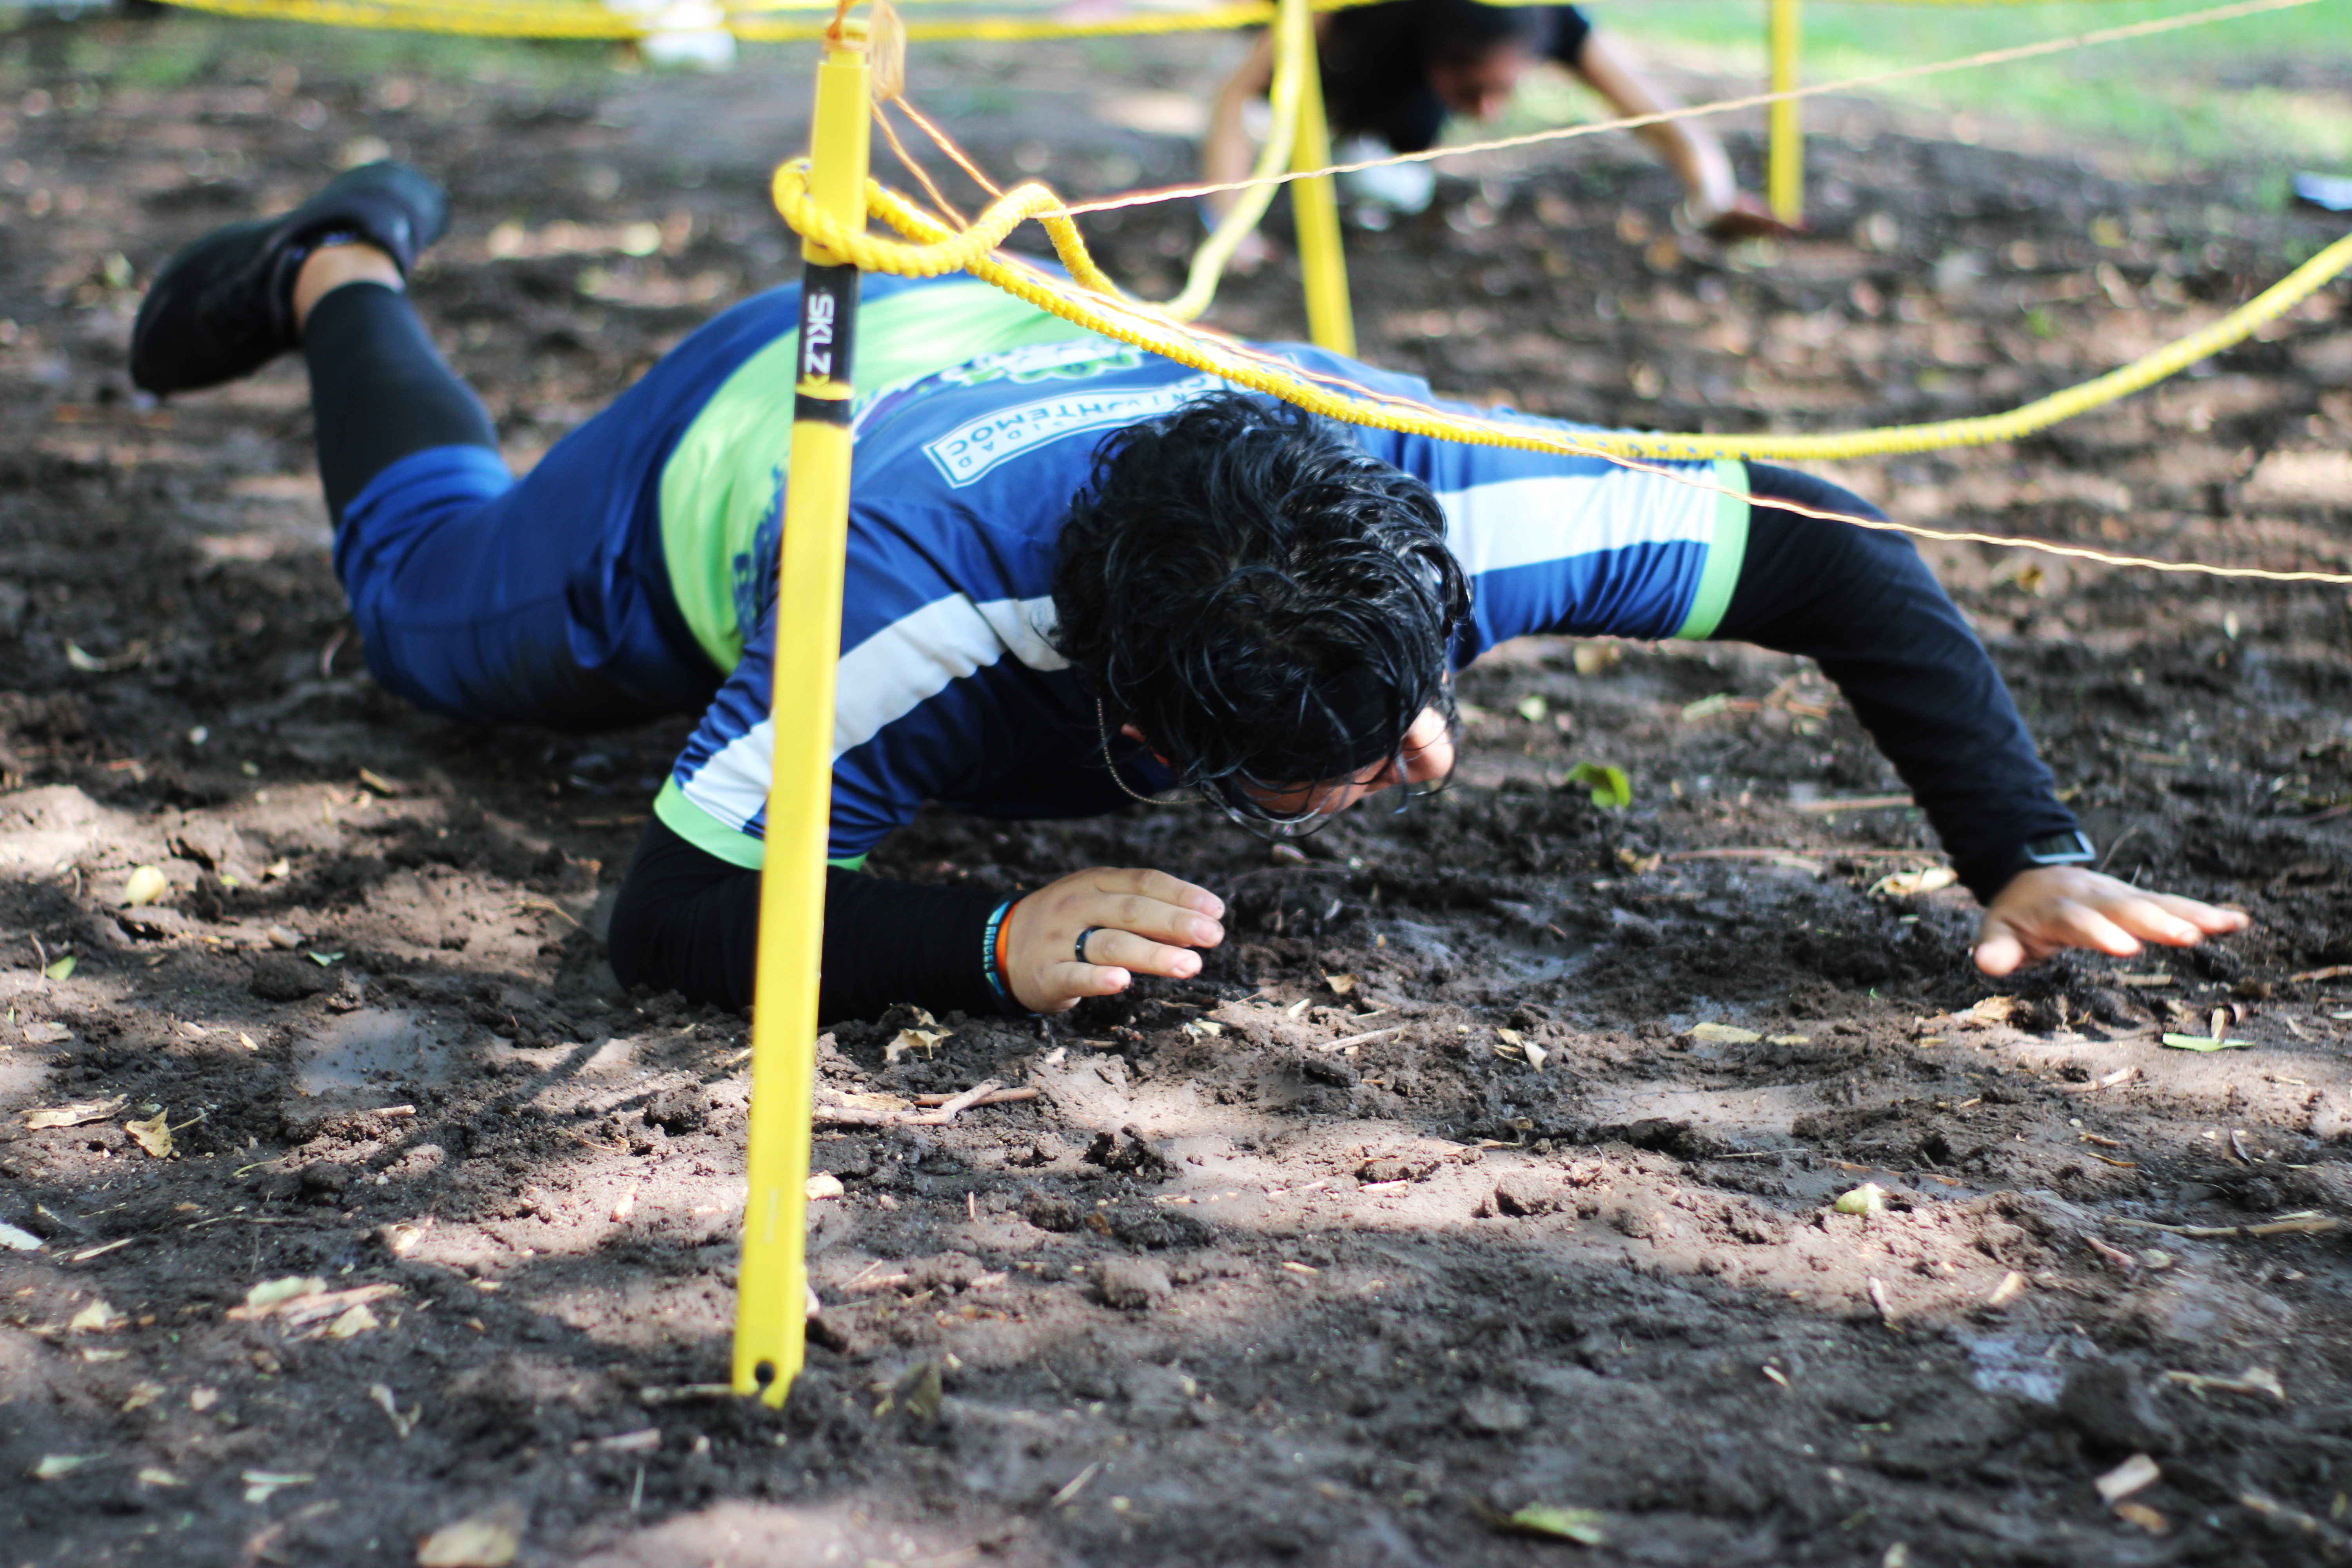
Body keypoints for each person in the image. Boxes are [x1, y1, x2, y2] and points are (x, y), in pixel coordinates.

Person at [130, 163, 2242, 1022]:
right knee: (423, 622)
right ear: (1122, 704)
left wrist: (2025, 851)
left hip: (1023, 331)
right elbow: (668, 911)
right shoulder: (916, 611)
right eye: (1283, 774)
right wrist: (984, 936)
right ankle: (345, 265)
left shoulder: (1458, 508)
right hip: (780, 422)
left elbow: (1833, 543)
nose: (1382, 775)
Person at [1203, 0, 1788, 246]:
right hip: (1357, 63)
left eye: (1504, 89)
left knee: (1401, 161)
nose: (1488, 114)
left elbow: (1662, 119)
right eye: (1472, 90)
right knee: (1384, 143)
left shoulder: (1549, 21)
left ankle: (1380, 156)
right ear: (1435, 52)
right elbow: (1234, 99)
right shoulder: (1352, 15)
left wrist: (1713, 196)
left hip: (1397, 103)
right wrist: (1233, 230)